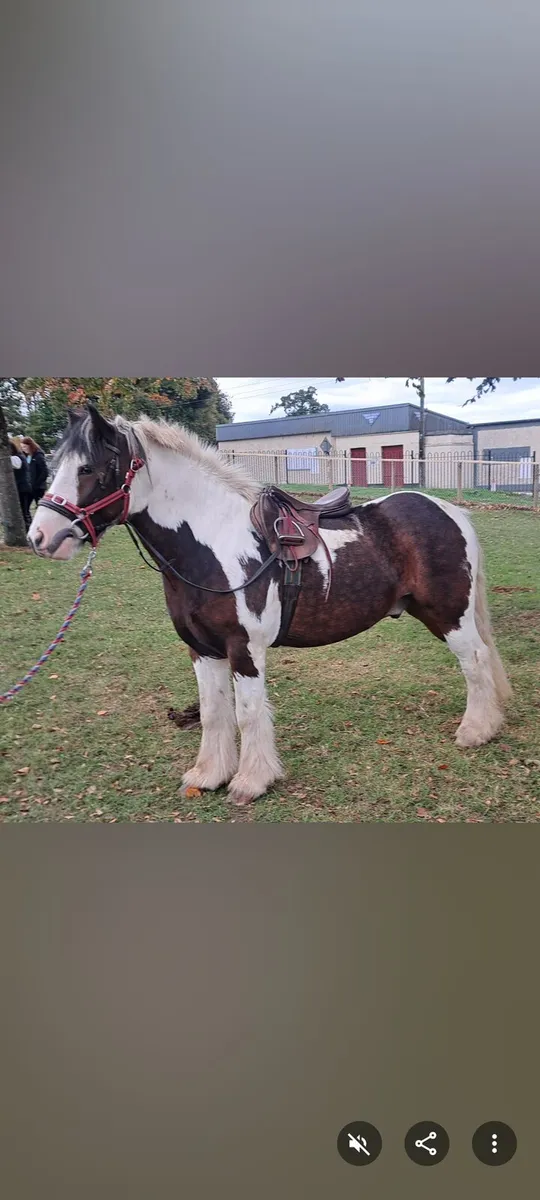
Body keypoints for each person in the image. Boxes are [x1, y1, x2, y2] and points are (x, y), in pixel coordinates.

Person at [9, 437, 33, 531]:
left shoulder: (16, 458)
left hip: (22, 488)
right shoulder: (19, 456)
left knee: (24, 511)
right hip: (22, 488)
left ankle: (28, 529)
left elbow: (14, 464)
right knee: (24, 511)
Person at [21, 436, 49, 509]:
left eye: (25, 447)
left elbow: (44, 471)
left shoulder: (38, 456)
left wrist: (37, 484)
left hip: (38, 487)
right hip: (29, 486)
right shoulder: (27, 456)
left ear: (30, 445)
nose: (23, 449)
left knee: (41, 507)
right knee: (25, 507)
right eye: (22, 447)